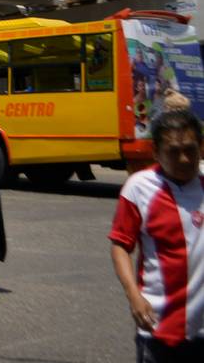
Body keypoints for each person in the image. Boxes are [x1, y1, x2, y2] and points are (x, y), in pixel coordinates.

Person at [110, 109, 203, 362]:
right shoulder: (139, 188)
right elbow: (120, 244)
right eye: (174, 151)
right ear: (156, 153)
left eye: (190, 149)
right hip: (157, 326)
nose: (184, 159)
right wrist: (134, 296)